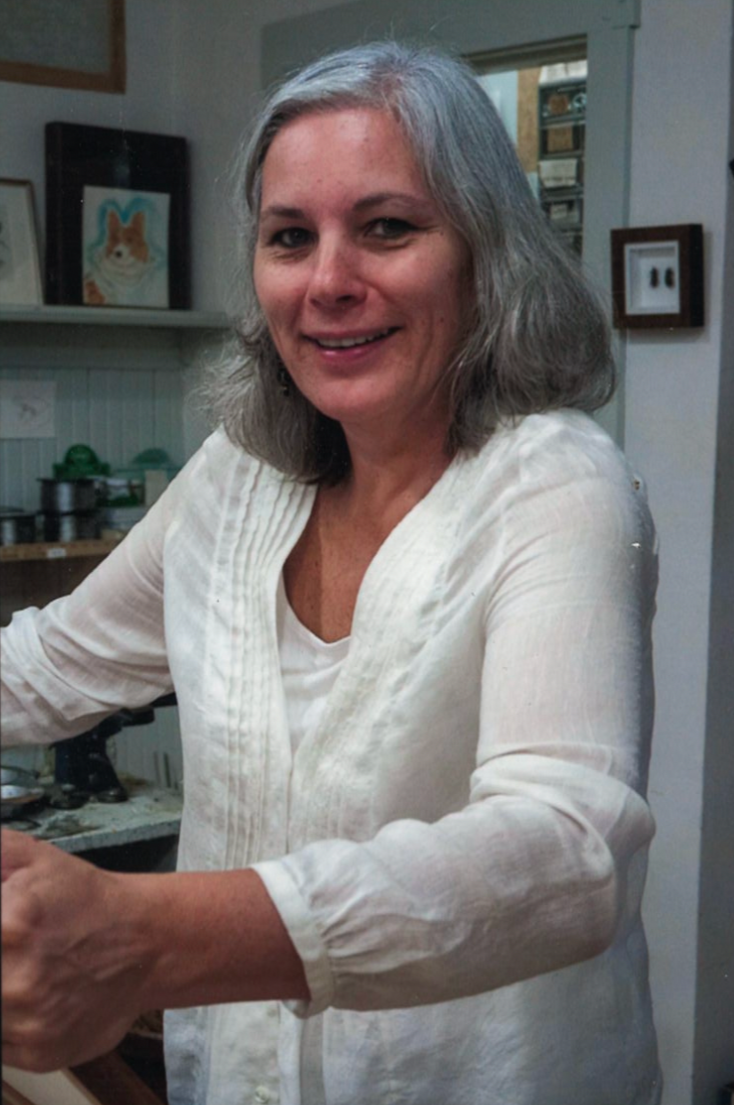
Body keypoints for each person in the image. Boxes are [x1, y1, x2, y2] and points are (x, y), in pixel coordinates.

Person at [1, 41, 661, 1105]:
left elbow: (566, 852)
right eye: (288, 237)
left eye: (387, 227)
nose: (327, 282)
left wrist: (146, 932)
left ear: (485, 254)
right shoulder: (237, 478)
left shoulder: (560, 486)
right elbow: (47, 668)